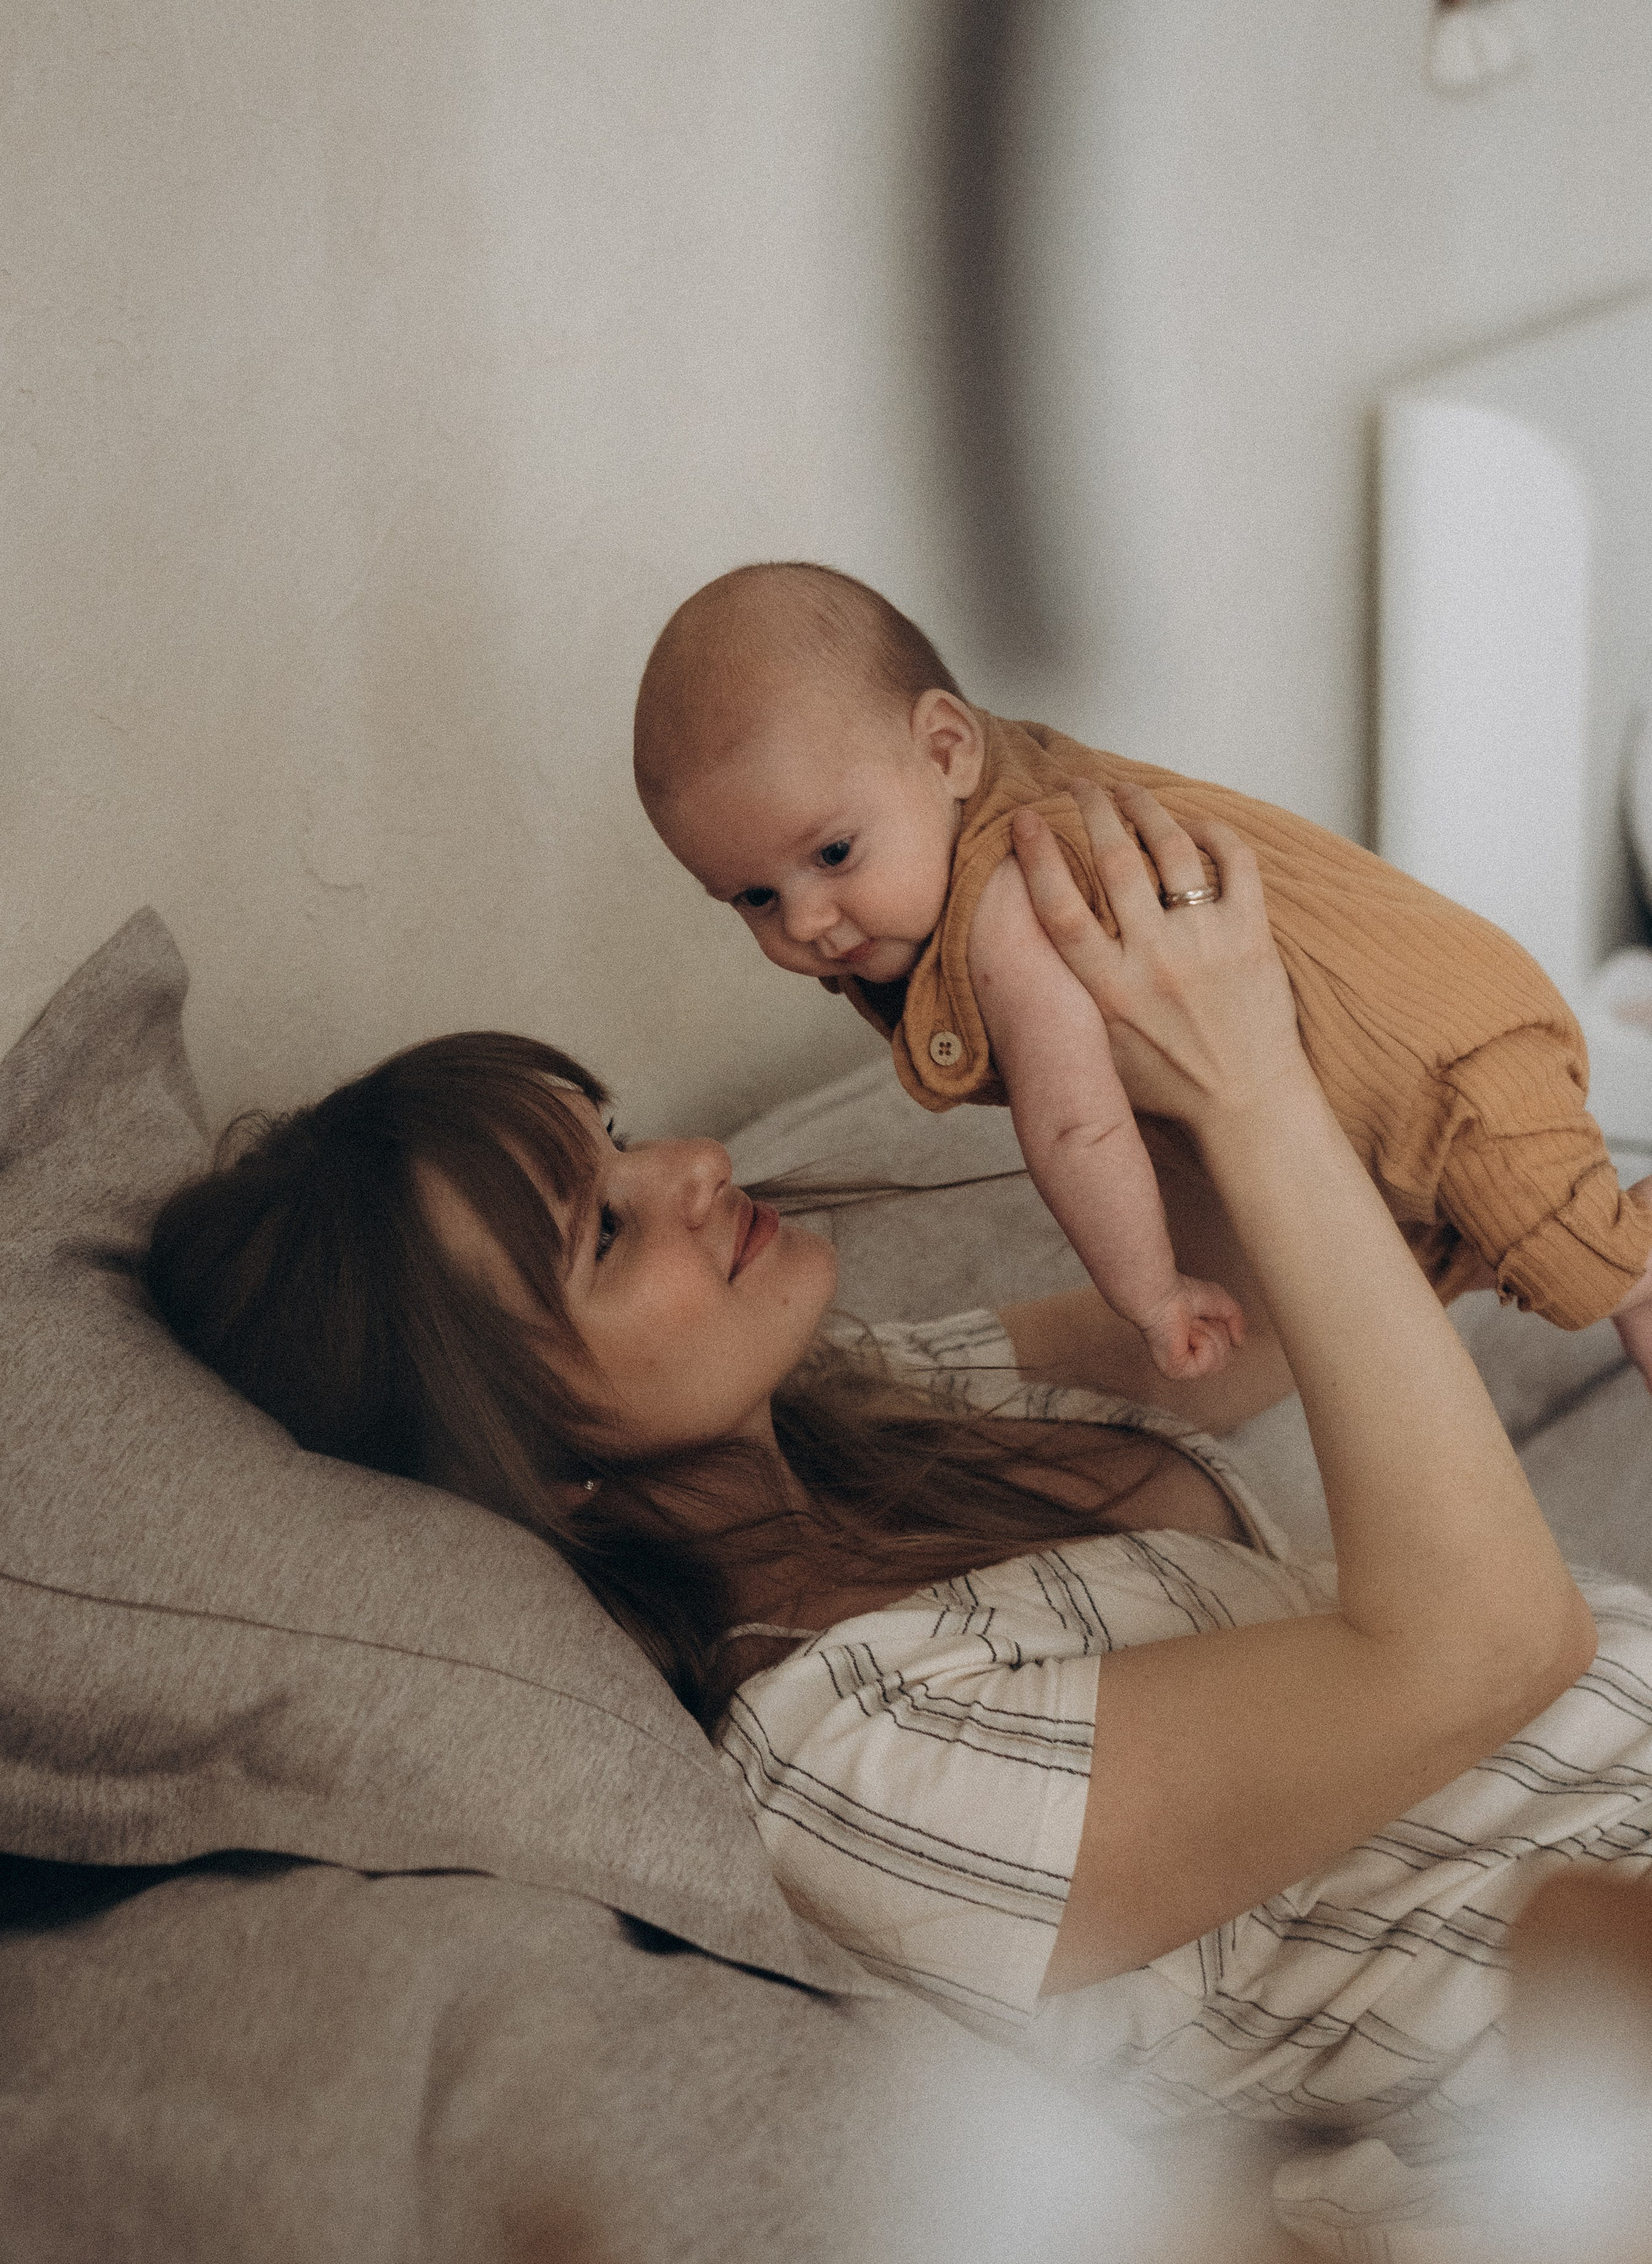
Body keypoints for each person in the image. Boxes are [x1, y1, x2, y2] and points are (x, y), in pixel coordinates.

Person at [146, 778, 1649, 2170]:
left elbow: (1222, 1314)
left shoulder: (859, 1408)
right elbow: (1491, 1647)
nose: (690, 1166)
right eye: (599, 1232)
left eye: (615, 1139)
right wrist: (1249, 1093)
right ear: (523, 1466)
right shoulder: (847, 1773)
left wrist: (1062, 1001)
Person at [632, 561, 1652, 1391]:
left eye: (833, 854)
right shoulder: (985, 798)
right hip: (1385, 1123)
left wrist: (1152, 1293)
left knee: (1586, 1273)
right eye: (754, 898)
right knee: (1441, 1274)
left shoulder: (1006, 904)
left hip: (1446, 1073)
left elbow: (1077, 1127)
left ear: (945, 751)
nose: (807, 922)